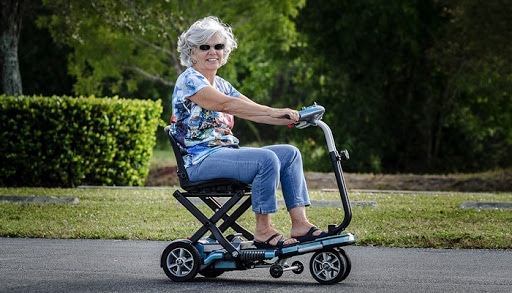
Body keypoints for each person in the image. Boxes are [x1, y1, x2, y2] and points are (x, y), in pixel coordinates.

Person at [170, 16, 327, 249]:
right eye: (205, 47)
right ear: (192, 52)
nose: (212, 51)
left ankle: (300, 225)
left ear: (225, 51)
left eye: (218, 46)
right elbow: (225, 105)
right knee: (266, 159)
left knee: (290, 153)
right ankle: (263, 231)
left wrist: (290, 118)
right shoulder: (189, 81)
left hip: (224, 153)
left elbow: (252, 112)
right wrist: (274, 111)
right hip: (198, 161)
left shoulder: (221, 83)